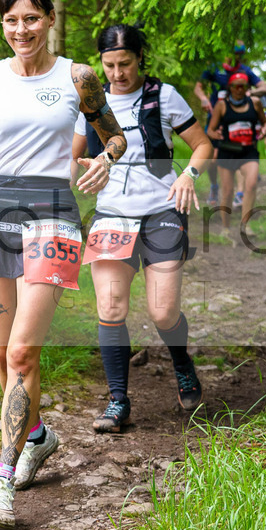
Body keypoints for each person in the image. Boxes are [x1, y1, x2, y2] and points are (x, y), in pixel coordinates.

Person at [0, 0, 126, 530]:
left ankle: (1, 482)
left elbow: (115, 135)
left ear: (50, 20)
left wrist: (106, 159)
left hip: (53, 218)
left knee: (22, 354)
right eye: (12, 21)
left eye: (32, 19)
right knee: (2, 356)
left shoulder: (78, 76)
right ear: (3, 25)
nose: (22, 30)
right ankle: (37, 437)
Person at [70, 23, 212, 433]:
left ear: (139, 58)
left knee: (163, 312)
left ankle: (181, 362)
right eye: (109, 65)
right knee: (110, 308)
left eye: (126, 63)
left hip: (161, 211)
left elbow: (203, 145)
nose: (118, 73)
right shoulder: (90, 103)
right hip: (111, 215)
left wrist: (188, 175)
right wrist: (78, 170)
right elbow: (70, 159)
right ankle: (118, 401)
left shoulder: (163, 96)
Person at [193, 40, 266, 206]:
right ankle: (214, 186)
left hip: (238, 121)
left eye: (239, 54)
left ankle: (239, 193)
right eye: (234, 53)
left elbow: (265, 88)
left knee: (240, 155)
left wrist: (250, 93)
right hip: (217, 120)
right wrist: (204, 98)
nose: (236, 57)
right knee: (212, 159)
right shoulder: (214, 68)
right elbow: (198, 87)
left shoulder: (245, 71)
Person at [206, 72, 266, 231]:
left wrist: (264, 130)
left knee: (251, 185)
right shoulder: (221, 105)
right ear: (230, 88)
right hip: (227, 152)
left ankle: (245, 226)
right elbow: (210, 130)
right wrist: (216, 135)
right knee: (228, 192)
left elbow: (265, 122)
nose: (239, 89)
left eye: (243, 86)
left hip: (248, 151)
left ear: (247, 88)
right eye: (236, 86)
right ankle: (226, 228)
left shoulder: (255, 103)